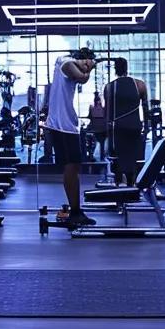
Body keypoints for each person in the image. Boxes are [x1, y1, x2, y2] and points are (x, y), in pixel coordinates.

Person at [42, 46, 98, 229]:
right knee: (71, 166)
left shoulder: (69, 66)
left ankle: (76, 210)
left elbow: (82, 79)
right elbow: (82, 76)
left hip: (67, 125)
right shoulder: (64, 61)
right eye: (86, 61)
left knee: (74, 166)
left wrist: (87, 67)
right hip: (61, 125)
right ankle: (75, 211)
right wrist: (88, 66)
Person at [104, 58, 148, 187]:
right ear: (127, 67)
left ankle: (118, 185)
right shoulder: (139, 84)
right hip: (134, 126)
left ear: (115, 69)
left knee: (118, 158)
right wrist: (147, 127)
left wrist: (107, 131)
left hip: (117, 127)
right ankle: (132, 183)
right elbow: (145, 108)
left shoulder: (109, 87)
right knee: (133, 157)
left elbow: (108, 112)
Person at [87, 91, 108, 160]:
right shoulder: (104, 109)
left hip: (96, 129)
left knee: (96, 141)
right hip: (103, 129)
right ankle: (101, 157)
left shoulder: (92, 108)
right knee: (101, 143)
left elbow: (90, 117)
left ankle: (92, 155)